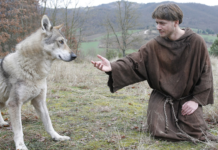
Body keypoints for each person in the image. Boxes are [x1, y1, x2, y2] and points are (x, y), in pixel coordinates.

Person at [91, 3, 217, 142]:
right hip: (162, 97)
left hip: (187, 97)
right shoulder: (154, 44)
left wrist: (195, 101)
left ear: (176, 22)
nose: (158, 27)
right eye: (156, 23)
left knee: (196, 132)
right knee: (158, 131)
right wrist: (113, 67)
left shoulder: (196, 42)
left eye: (162, 23)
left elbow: (205, 73)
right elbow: (135, 61)